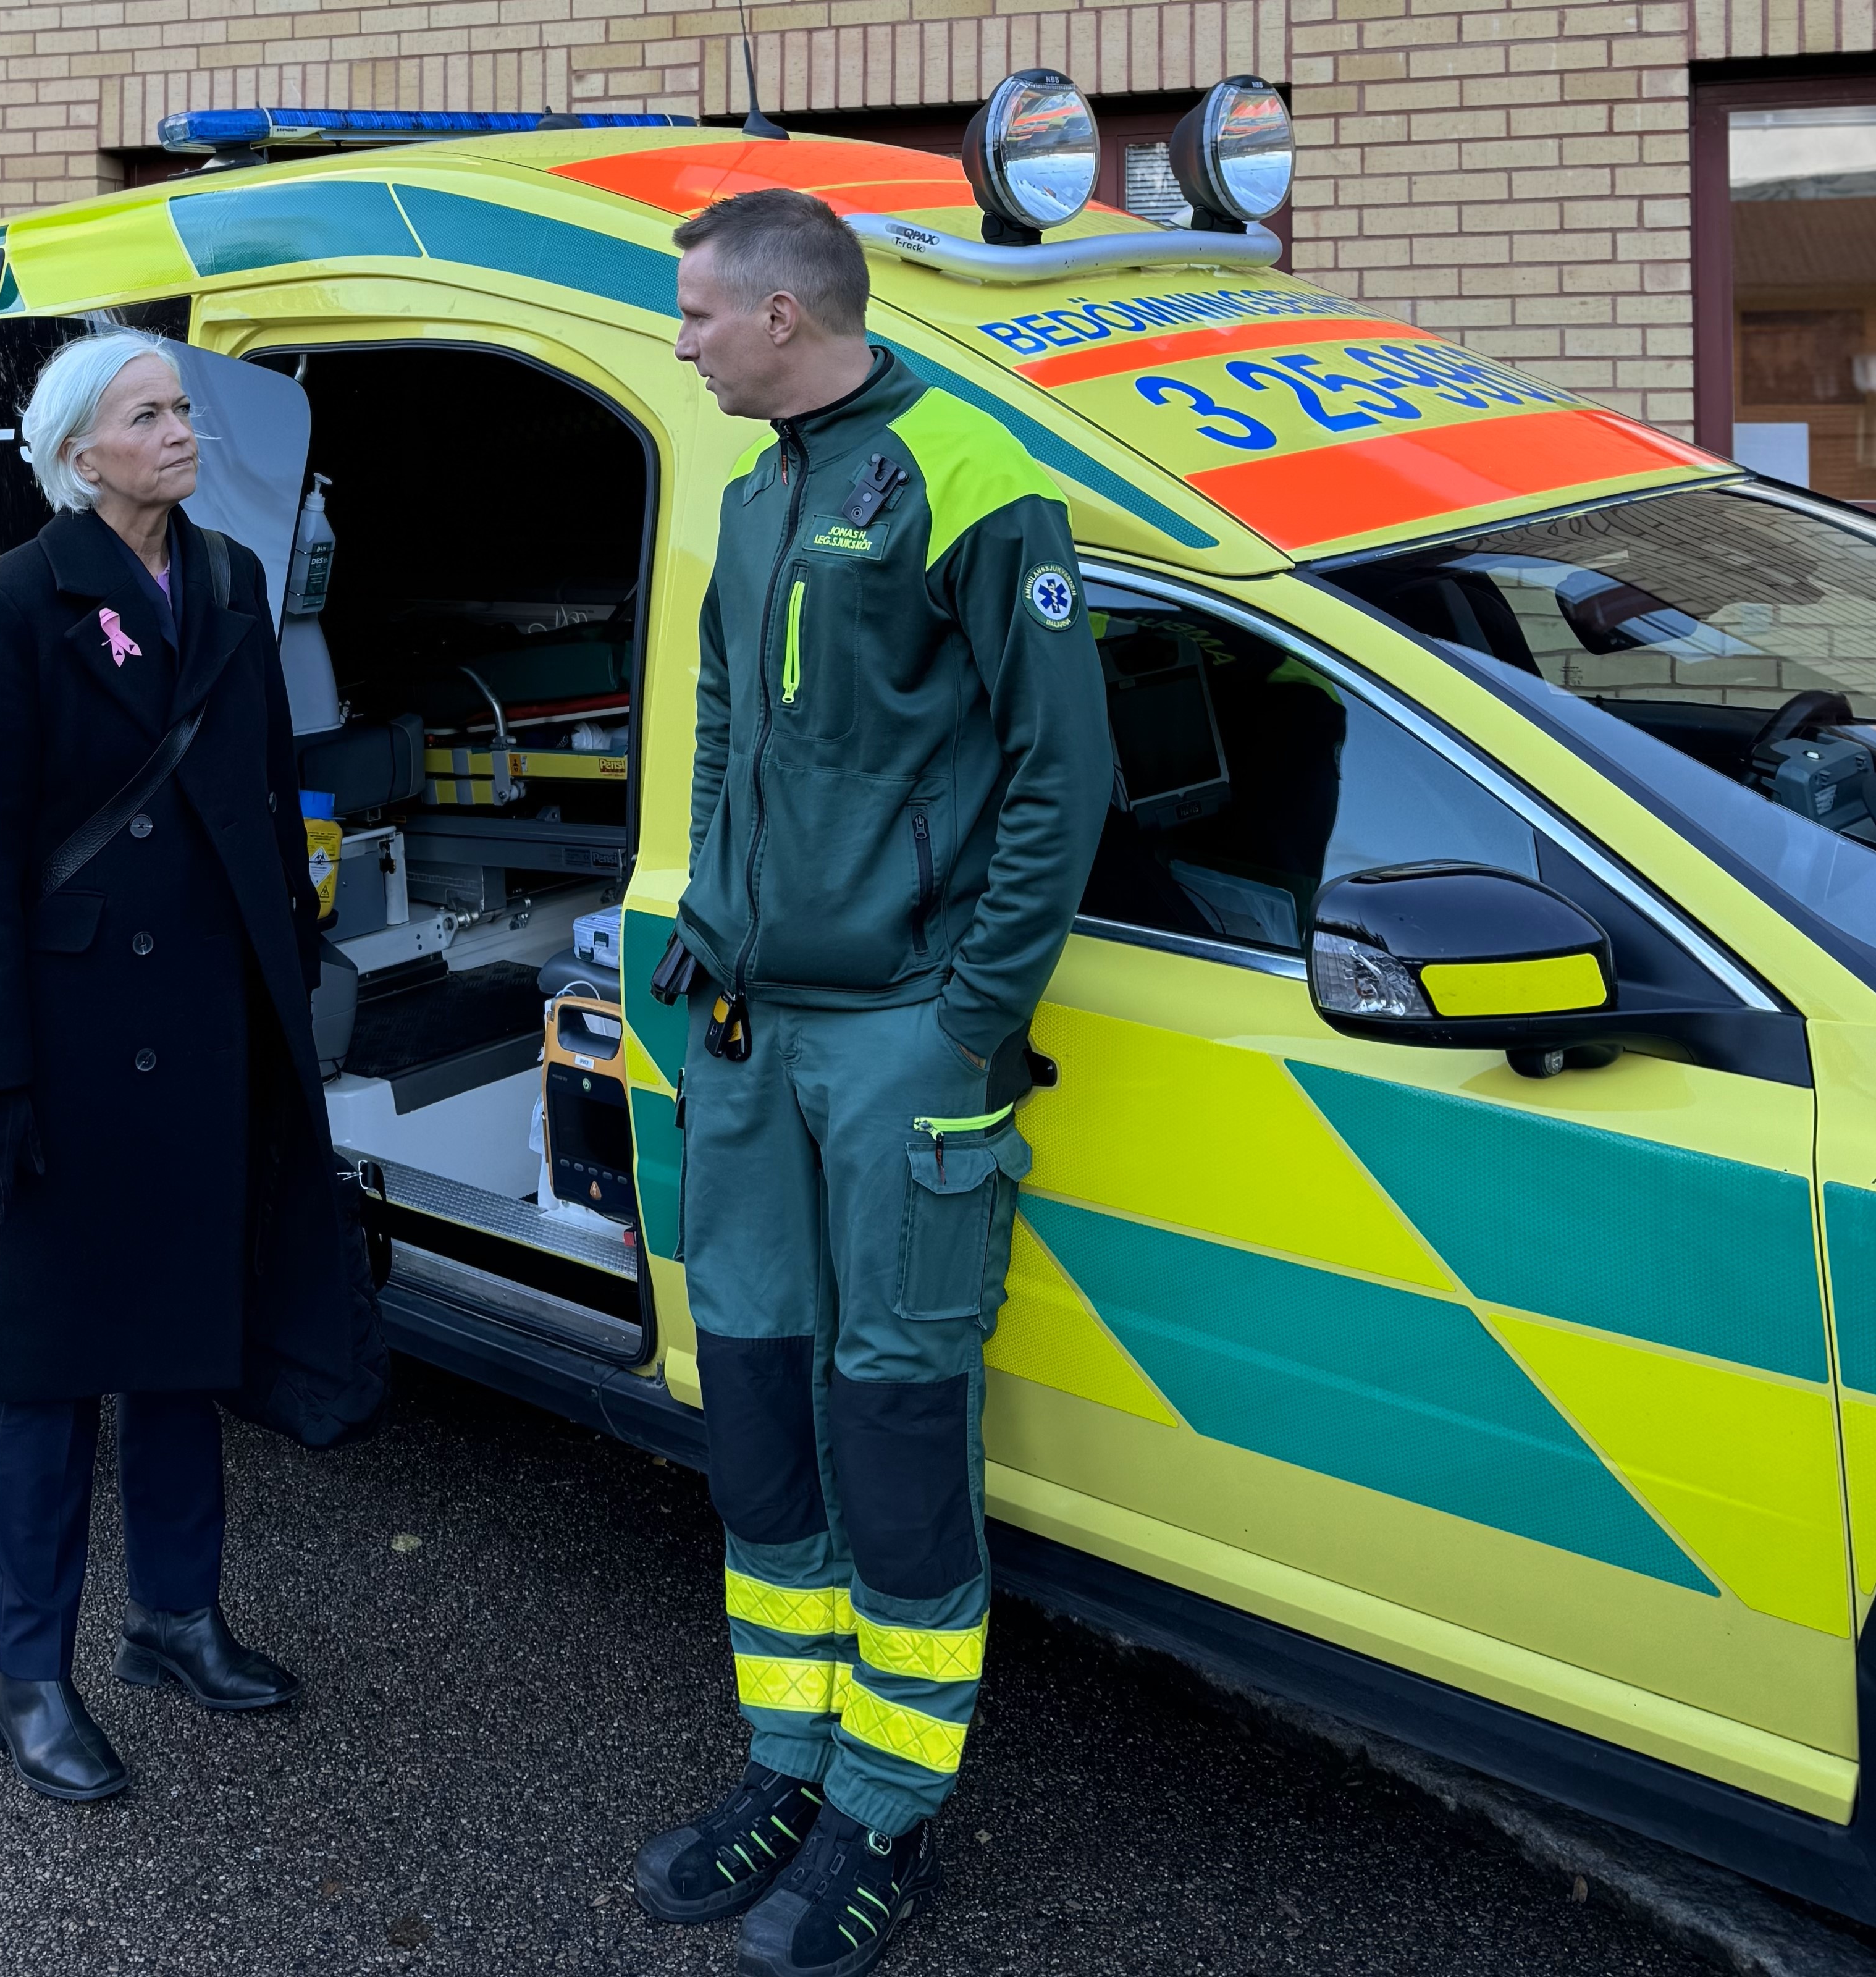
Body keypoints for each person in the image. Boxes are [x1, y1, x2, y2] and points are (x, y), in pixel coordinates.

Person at [634, 190, 1113, 1975]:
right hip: (751, 1033)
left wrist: (969, 1016)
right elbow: (714, 725)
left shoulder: (967, 477)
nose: (677, 342)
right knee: (757, 1408)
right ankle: (790, 1761)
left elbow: (1066, 776)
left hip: (907, 1033)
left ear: (780, 311)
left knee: (896, 1429)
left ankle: (887, 1817)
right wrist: (706, 922)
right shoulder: (758, 490)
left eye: (694, 314)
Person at [0, 329, 352, 1803]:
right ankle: (27, 1676)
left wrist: (290, 976)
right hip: (60, 1045)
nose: (181, 431)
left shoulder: (229, 579)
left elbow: (254, 796)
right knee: (47, 1374)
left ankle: (175, 1618)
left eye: (184, 408)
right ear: (77, 451)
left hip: (207, 1038)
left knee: (184, 1341)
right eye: (148, 414)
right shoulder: (13, 604)